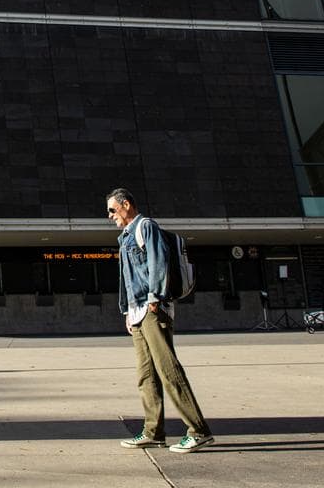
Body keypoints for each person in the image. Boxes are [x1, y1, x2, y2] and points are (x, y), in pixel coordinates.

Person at [107, 187, 215, 454]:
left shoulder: (146, 227)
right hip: (138, 311)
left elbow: (158, 262)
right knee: (146, 375)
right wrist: (127, 310)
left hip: (153, 307)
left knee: (168, 370)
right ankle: (153, 432)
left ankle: (198, 430)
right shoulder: (125, 237)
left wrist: (155, 297)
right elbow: (127, 279)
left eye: (112, 209)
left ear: (126, 205)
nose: (110, 216)